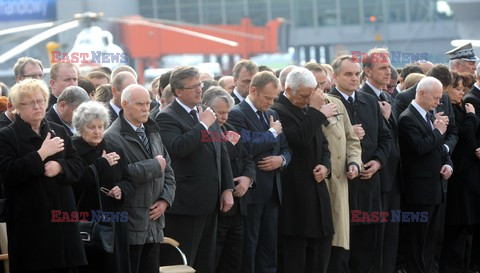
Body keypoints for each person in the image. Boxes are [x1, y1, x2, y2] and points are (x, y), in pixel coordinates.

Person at [0, 79, 86, 272]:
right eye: (30, 103)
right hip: (31, 226)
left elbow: (78, 165)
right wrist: (41, 154)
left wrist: (60, 166)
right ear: (17, 108)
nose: (37, 106)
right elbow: (8, 173)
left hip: (63, 224)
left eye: (40, 101)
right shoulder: (7, 135)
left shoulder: (59, 130)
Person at [156, 66, 234, 273]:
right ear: (178, 91)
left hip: (210, 202)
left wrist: (227, 188)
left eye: (199, 84)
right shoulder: (167, 117)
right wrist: (202, 126)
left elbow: (221, 152)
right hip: (185, 205)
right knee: (184, 262)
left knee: (206, 262)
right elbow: (179, 148)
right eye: (193, 87)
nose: (200, 90)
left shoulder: (205, 113)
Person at [104, 84, 176, 273]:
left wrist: (165, 201)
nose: (146, 108)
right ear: (125, 104)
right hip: (131, 224)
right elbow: (118, 176)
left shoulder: (152, 131)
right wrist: (153, 166)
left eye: (147, 103)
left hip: (154, 224)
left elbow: (168, 171)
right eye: (140, 104)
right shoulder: (112, 137)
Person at [329, 55, 391, 273]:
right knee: (343, 247)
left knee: (367, 247)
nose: (354, 78)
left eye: (357, 74)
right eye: (348, 74)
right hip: (342, 185)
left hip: (369, 184)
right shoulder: (328, 103)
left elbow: (386, 138)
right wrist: (348, 135)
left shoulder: (370, 101)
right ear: (335, 76)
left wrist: (378, 162)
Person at [271, 67, 336, 273]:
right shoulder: (278, 110)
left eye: (310, 95)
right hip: (295, 192)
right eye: (304, 96)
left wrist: (326, 166)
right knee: (296, 251)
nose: (308, 100)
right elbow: (299, 139)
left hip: (317, 188)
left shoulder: (309, 109)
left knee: (322, 245)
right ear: (288, 89)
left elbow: (323, 144)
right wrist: (317, 112)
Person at [228, 71, 291, 273]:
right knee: (250, 246)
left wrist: (280, 160)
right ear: (253, 90)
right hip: (252, 193)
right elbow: (244, 146)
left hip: (273, 191)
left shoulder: (272, 114)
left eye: (274, 98)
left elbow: (286, 148)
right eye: (267, 98)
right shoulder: (237, 113)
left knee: (268, 245)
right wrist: (272, 133)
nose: (271, 102)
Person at [304, 63, 362, 273]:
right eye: (314, 85)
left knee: (339, 248)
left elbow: (352, 140)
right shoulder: (299, 109)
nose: (320, 90)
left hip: (340, 185)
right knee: (317, 250)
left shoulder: (336, 103)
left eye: (322, 84)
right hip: (316, 185)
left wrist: (354, 162)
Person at [72, 101, 136, 273]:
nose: (97, 131)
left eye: (101, 126)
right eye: (91, 127)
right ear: (80, 127)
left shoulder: (114, 148)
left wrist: (121, 190)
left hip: (115, 220)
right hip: (87, 221)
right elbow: (75, 184)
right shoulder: (73, 151)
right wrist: (101, 164)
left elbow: (128, 180)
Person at [397, 76, 453, 273]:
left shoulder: (430, 115)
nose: (439, 102)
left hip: (436, 188)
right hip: (419, 192)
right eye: (436, 98)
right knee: (417, 243)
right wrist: (438, 132)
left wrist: (448, 164)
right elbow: (419, 148)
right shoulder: (407, 118)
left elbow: (439, 149)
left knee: (432, 239)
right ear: (421, 93)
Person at [202, 86, 256, 273]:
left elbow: (247, 157)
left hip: (239, 207)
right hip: (218, 206)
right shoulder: (204, 132)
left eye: (227, 112)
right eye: (220, 113)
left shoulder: (231, 129)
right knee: (214, 258)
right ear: (207, 109)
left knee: (234, 259)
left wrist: (248, 178)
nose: (225, 117)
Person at [359, 48, 401, 273]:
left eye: (388, 67)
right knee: (377, 236)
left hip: (393, 176)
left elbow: (395, 137)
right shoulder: (363, 98)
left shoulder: (387, 96)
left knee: (390, 236)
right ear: (367, 71)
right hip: (375, 177)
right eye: (382, 68)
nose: (388, 72)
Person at [440, 71, 480, 273]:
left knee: (466, 227)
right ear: (446, 89)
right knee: (457, 227)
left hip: (467, 174)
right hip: (457, 175)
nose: (461, 93)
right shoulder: (451, 110)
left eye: (463, 89)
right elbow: (463, 136)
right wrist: (472, 116)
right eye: (457, 88)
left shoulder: (460, 107)